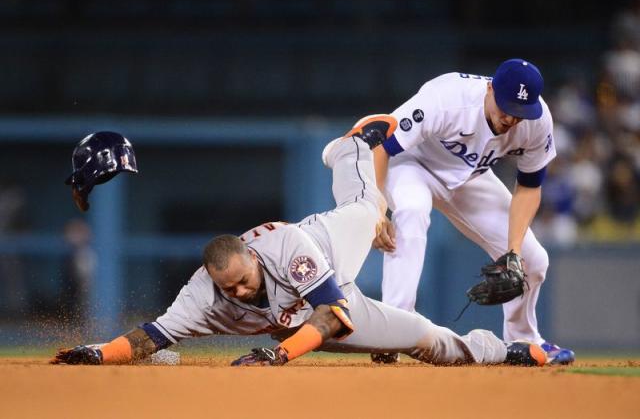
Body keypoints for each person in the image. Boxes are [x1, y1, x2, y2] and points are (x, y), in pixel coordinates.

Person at [51, 118, 545, 367]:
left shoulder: (286, 246)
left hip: (325, 253)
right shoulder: (204, 292)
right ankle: (497, 350)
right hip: (314, 317)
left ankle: (349, 146)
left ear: (250, 260)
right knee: (423, 339)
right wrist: (98, 353)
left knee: (366, 207)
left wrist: (280, 357)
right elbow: (153, 336)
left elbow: (331, 315)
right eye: (230, 289)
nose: (239, 292)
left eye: (243, 281)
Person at [370, 58, 575, 365]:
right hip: (413, 164)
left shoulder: (536, 120)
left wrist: (513, 253)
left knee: (533, 261)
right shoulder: (447, 99)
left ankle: (525, 340)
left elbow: (530, 186)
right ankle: (393, 329)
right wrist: (376, 209)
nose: (511, 118)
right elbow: (382, 144)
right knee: (412, 210)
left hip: (470, 178)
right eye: (506, 106)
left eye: (520, 112)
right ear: (490, 88)